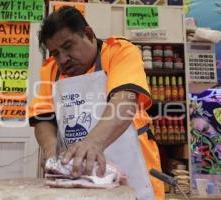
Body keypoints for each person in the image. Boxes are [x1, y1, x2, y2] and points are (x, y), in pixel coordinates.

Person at [28, 6, 164, 200]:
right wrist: (52, 151)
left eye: (68, 46)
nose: (63, 59)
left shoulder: (119, 52)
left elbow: (124, 101)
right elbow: (43, 118)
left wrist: (92, 143)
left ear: (89, 34)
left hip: (133, 168)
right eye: (56, 53)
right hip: (78, 174)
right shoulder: (50, 70)